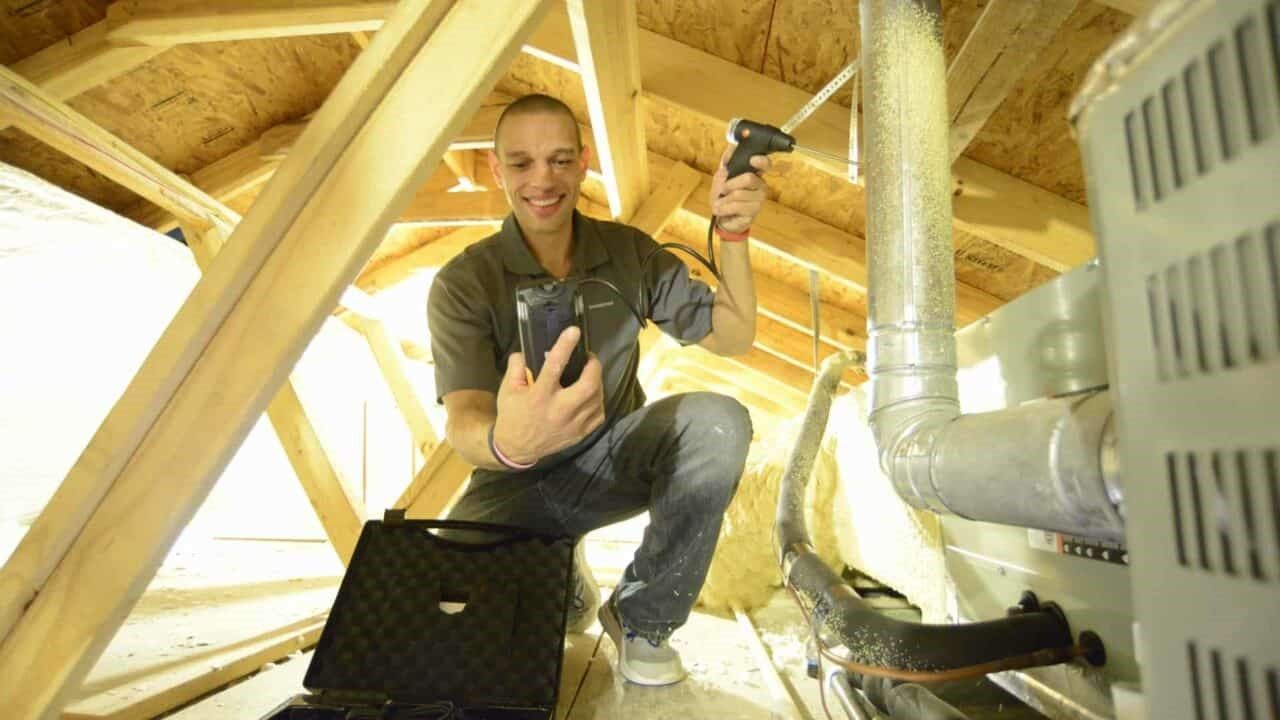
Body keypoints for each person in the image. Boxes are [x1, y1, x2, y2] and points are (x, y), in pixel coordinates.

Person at [427, 93, 771, 686]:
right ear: (495, 169)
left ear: (584, 162)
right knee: (451, 599)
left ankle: (642, 618)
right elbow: (463, 419)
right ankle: (567, 586)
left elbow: (733, 334)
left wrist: (733, 235)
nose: (543, 180)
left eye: (560, 160)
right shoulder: (463, 282)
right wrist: (512, 441)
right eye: (522, 163)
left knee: (719, 422)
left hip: (614, 460)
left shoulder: (629, 254)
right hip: (513, 478)